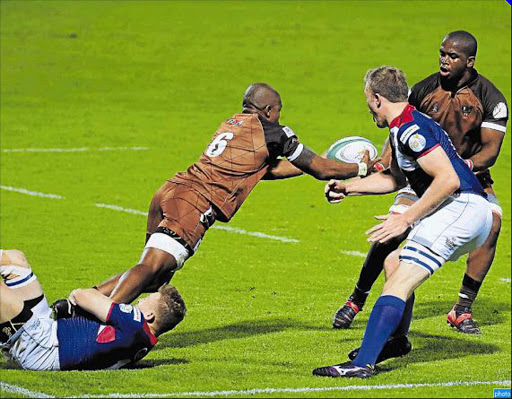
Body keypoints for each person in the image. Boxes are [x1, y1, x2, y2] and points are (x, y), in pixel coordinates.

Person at [60, 83, 376, 309]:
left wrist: (323, 162)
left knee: (153, 278)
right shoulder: (273, 131)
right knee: (152, 266)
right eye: (278, 111)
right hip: (193, 204)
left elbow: (269, 170)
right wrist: (360, 168)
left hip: (170, 191)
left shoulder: (232, 124)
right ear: (268, 110)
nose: (279, 117)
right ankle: (106, 316)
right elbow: (321, 170)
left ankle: (76, 304)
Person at [313, 66, 492, 378]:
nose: (368, 107)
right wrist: (348, 187)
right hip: (461, 209)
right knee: (394, 263)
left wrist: (406, 218)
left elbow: (448, 180)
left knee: (400, 281)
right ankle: (396, 341)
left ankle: (361, 364)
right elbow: (395, 179)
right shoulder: (404, 127)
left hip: (461, 208)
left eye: (368, 100)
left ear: (378, 99)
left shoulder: (410, 130)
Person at [333, 30, 508, 335]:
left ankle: (462, 308)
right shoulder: (423, 89)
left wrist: (461, 166)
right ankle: (357, 297)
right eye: (442, 53)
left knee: (493, 223)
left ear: (469, 61)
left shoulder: (490, 99)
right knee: (392, 227)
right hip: (420, 177)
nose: (444, 60)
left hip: (469, 179)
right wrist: (383, 163)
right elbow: (399, 129)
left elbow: (491, 151)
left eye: (452, 56)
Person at [0, 249, 186, 370]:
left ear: (150, 315)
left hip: (42, 345)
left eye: (147, 299)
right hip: (47, 333)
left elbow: (82, 295)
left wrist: (79, 301)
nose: (140, 300)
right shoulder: (144, 341)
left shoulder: (135, 322)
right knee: (14, 260)